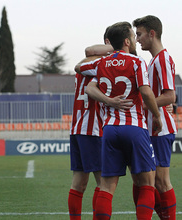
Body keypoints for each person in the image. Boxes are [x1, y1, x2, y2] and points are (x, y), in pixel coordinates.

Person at [78, 21, 162, 220]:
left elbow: (84, 77)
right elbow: (146, 92)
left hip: (109, 130)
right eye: (133, 37)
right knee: (147, 184)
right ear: (126, 41)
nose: (135, 40)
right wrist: (157, 116)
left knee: (106, 187)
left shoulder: (101, 63)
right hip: (134, 127)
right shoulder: (136, 61)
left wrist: (108, 101)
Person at [68, 28, 133, 220]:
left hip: (78, 128)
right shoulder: (102, 64)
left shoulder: (86, 65)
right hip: (92, 129)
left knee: (79, 183)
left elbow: (86, 53)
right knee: (103, 183)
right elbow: (90, 50)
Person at [133, 15, 177, 219]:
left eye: (140, 34)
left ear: (152, 33)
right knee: (145, 181)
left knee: (160, 182)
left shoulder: (162, 59)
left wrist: (142, 105)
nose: (137, 38)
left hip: (161, 129)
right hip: (152, 128)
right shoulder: (154, 61)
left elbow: (170, 95)